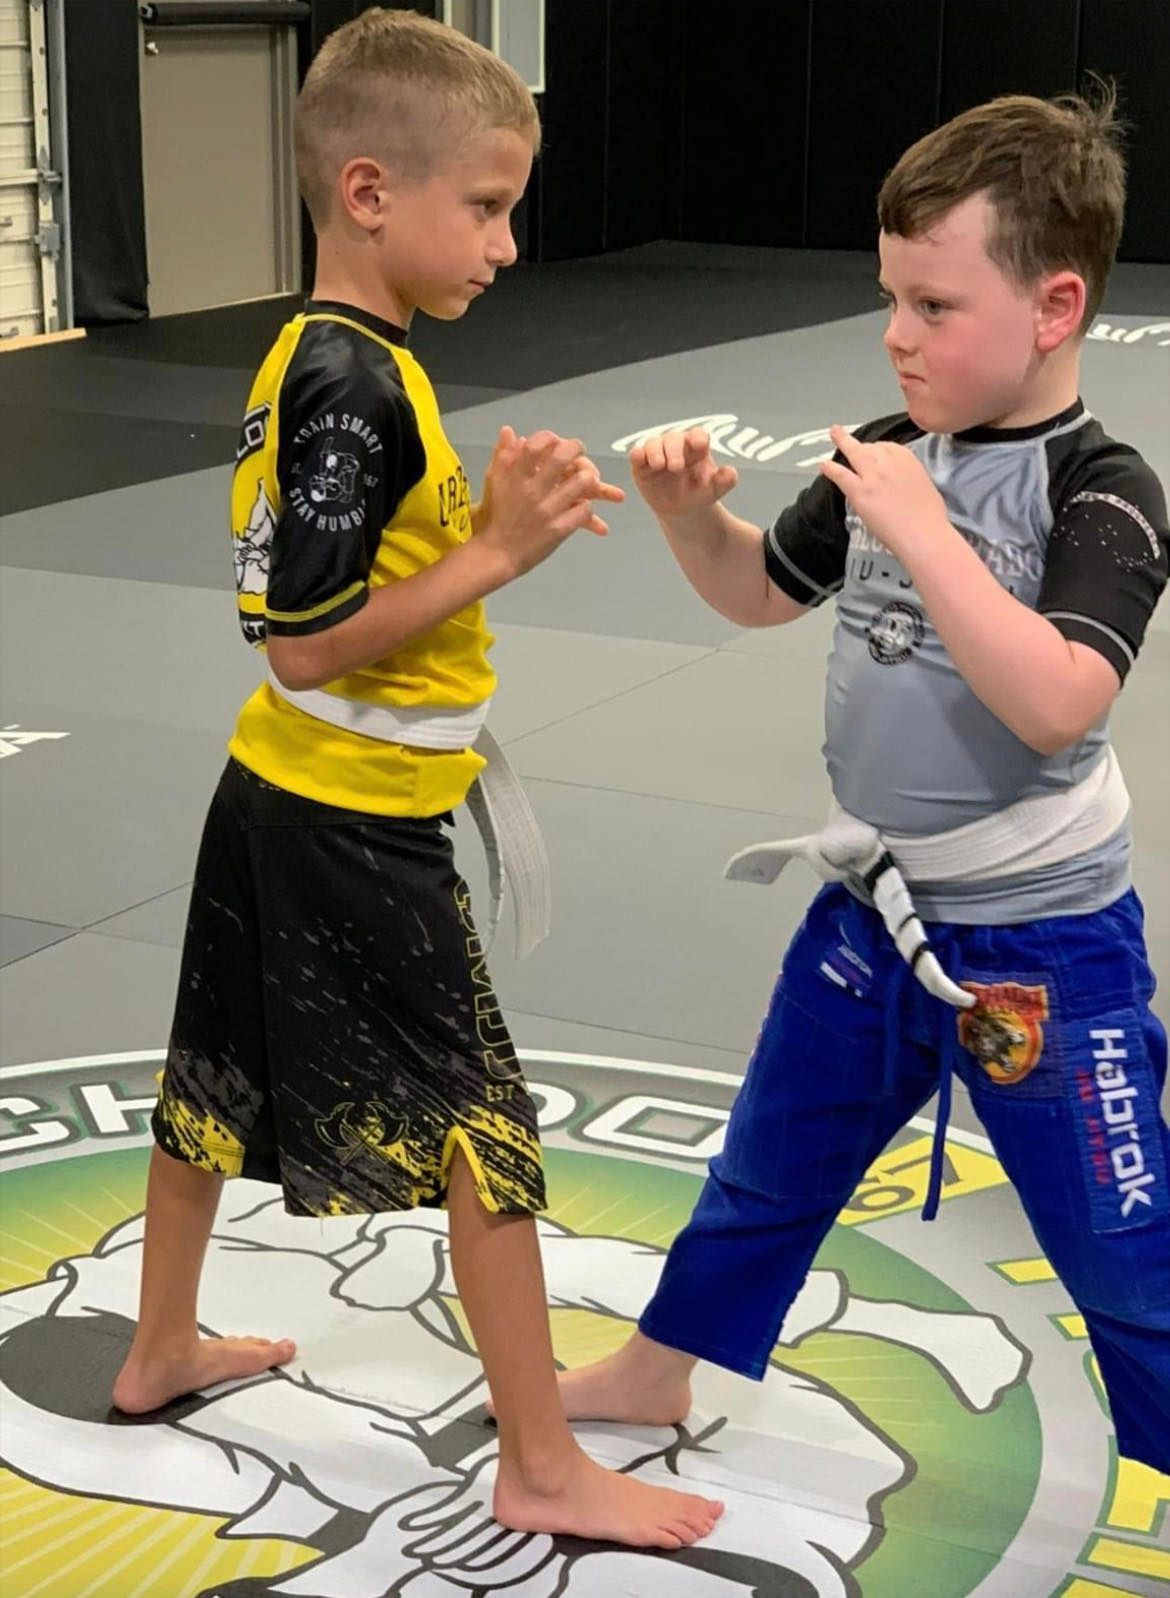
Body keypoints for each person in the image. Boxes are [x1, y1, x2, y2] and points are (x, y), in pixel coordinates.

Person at [111, 7, 723, 1550]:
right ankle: (537, 1459)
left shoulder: (342, 359)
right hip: (347, 825)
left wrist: (476, 542)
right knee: (484, 1129)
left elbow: (319, 617)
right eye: (488, 206)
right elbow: (304, 642)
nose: (509, 244)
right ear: (369, 191)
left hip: (283, 804)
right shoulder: (351, 386)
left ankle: (157, 1344)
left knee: (213, 1078)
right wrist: (499, 551)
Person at [548, 88, 1170, 1473]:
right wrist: (687, 517)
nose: (896, 335)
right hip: (871, 917)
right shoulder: (885, 455)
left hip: (1040, 949)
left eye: (934, 307)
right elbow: (763, 592)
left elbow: (1062, 697)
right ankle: (662, 1367)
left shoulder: (1102, 486)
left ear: (1054, 306)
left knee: (1126, 1255)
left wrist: (930, 536)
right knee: (767, 1163)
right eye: (890, 299)